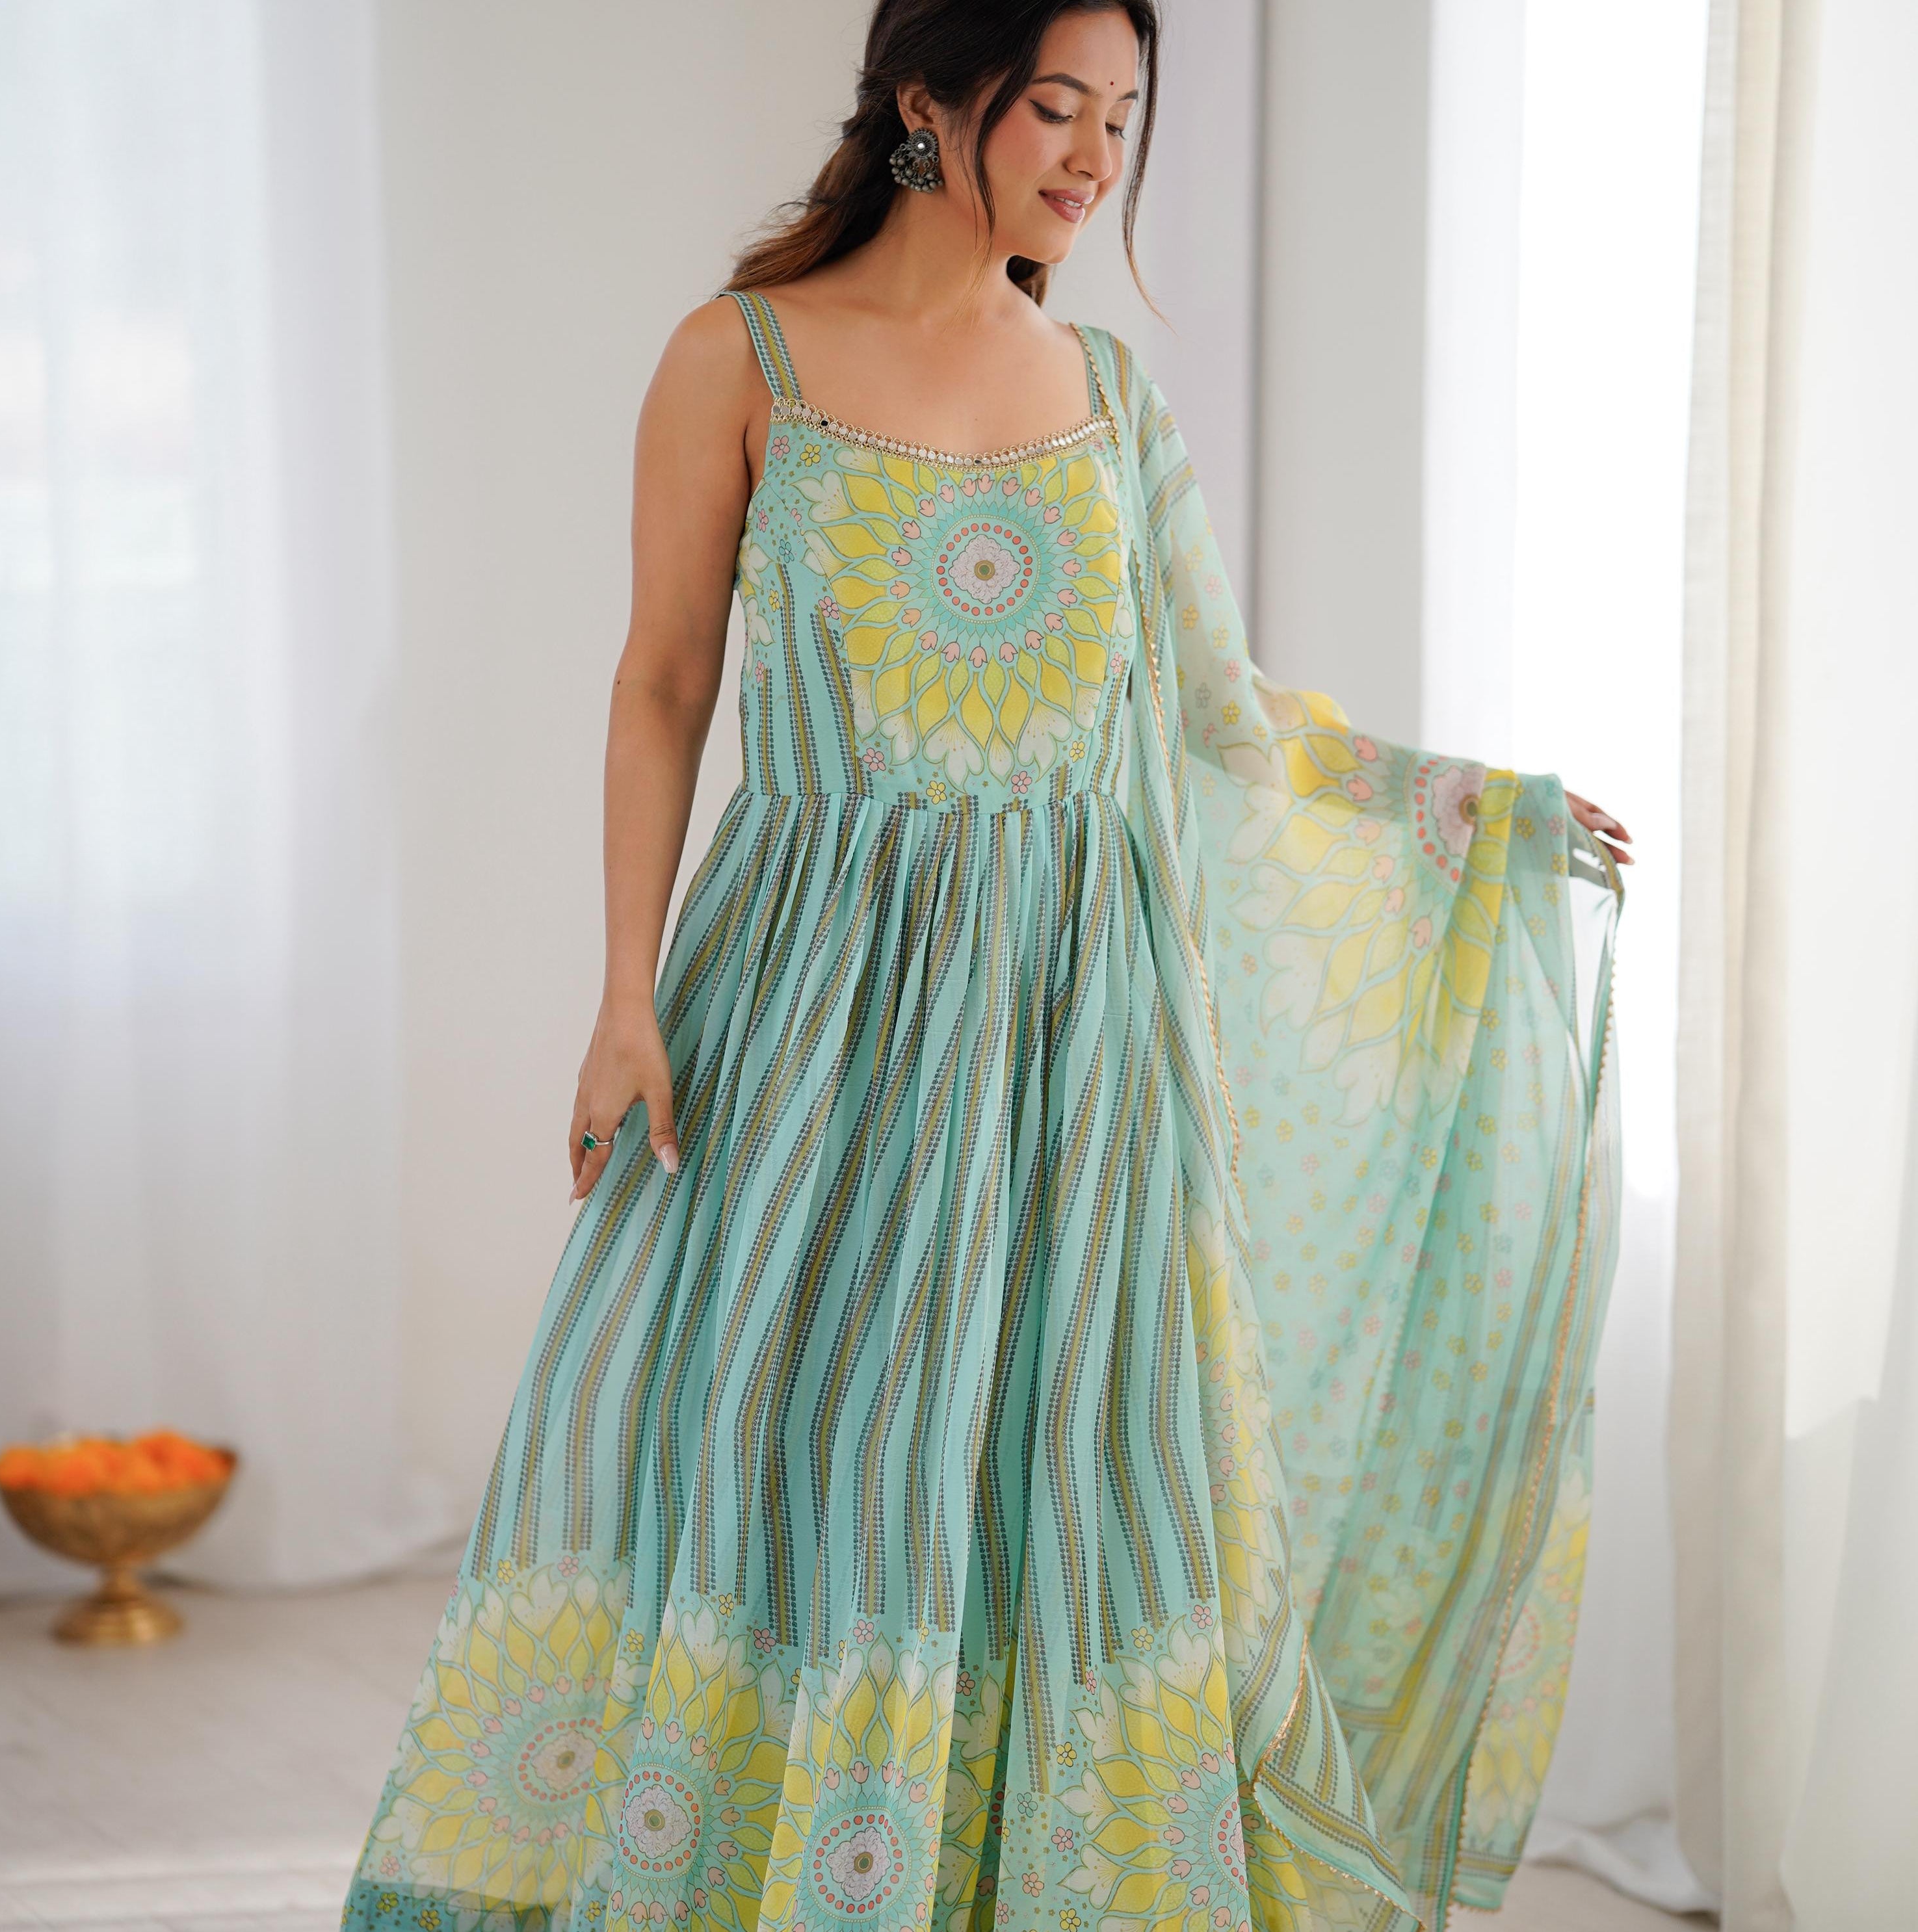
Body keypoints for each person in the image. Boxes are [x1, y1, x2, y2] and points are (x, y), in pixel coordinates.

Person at [343, 4, 1631, 1927]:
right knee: (794, 1449)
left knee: (1066, 1472)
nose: (1097, 157)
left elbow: (1227, 719)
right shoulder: (741, 357)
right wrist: (623, 995)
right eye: (1057, 108)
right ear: (928, 101)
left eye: (1124, 117)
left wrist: (1472, 812)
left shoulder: (1108, 396)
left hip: (1074, 1037)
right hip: (815, 1009)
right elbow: (664, 681)